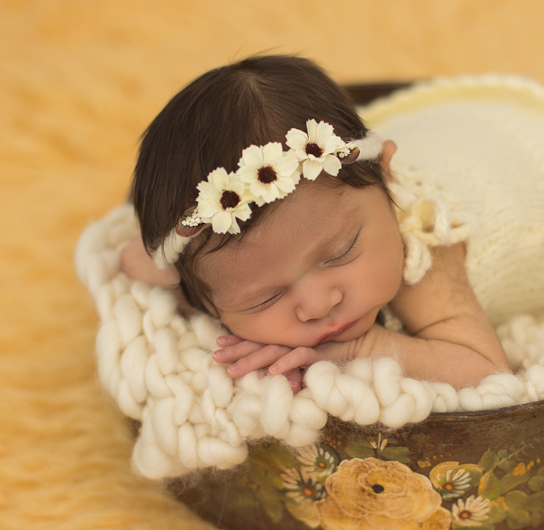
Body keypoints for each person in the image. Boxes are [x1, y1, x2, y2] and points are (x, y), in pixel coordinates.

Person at [121, 54, 510, 393]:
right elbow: (139, 261)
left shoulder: (426, 244)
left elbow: (486, 373)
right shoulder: (216, 263)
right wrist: (186, 286)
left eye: (340, 253)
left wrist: (361, 349)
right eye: (264, 297)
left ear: (386, 176)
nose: (317, 306)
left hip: (518, 152)